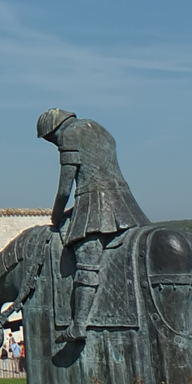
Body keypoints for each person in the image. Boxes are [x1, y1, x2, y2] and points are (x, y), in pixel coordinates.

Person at [38, 109, 149, 343]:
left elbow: (65, 188)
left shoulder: (69, 134)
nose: (54, 144)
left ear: (53, 131)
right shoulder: (100, 129)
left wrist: (56, 215)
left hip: (96, 204)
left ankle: (78, 324)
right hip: (125, 203)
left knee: (86, 258)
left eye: (51, 140)